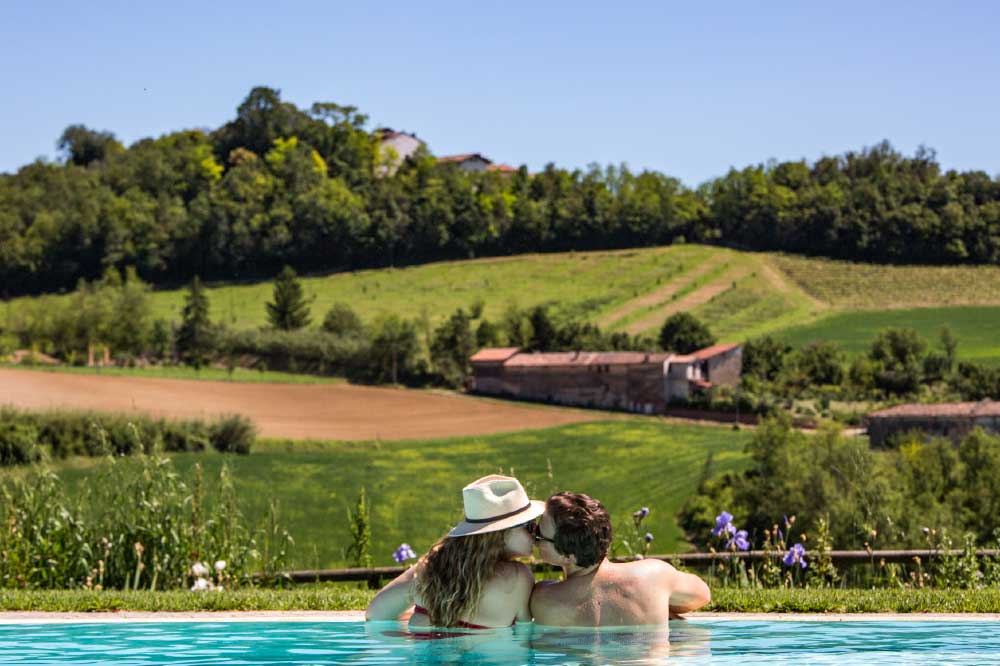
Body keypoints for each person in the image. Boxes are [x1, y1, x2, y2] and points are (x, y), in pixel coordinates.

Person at [365, 475, 543, 629]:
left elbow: (376, 613)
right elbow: (524, 636)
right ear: (501, 534)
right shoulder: (518, 577)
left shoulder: (433, 566)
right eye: (529, 526)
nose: (536, 532)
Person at [530, 491, 711, 626]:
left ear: (568, 555)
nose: (534, 538)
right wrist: (657, 602)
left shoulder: (543, 599)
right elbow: (703, 595)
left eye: (539, 534)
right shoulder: (654, 576)